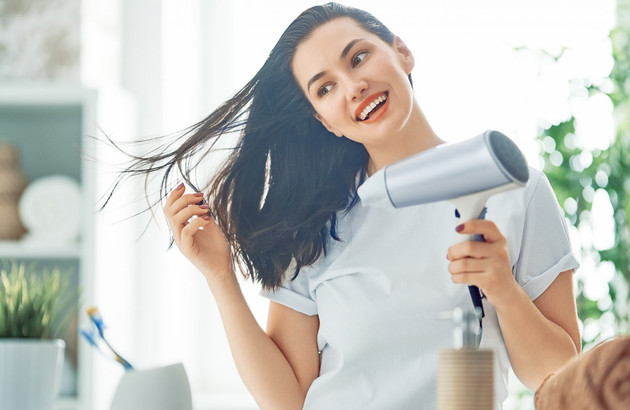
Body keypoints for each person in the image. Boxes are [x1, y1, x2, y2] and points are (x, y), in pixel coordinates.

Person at [115, 3, 581, 409]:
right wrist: (220, 278)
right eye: (325, 88)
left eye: (359, 57)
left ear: (401, 51)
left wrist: (501, 287)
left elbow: (557, 375)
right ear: (325, 122)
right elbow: (288, 401)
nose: (353, 86)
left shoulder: (514, 191)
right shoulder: (316, 221)